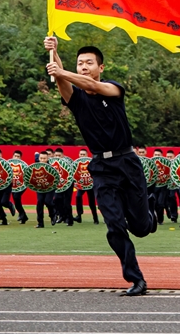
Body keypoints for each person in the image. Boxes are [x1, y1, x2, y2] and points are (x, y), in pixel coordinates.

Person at [45, 37, 156, 296]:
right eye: (80, 63)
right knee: (114, 226)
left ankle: (148, 214)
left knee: (141, 228)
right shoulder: (77, 99)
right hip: (101, 168)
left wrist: (61, 70)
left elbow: (90, 85)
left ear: (100, 67)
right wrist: (54, 52)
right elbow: (62, 81)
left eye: (89, 63)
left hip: (127, 162)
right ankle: (136, 279)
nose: (83, 67)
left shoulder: (113, 89)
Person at [74, 148, 99, 224]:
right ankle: (79, 215)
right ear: (79, 155)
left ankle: (95, 219)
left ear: (87, 155)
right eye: (81, 154)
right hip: (81, 185)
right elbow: (74, 173)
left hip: (90, 185)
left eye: (83, 154)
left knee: (91, 202)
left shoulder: (91, 162)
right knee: (78, 196)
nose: (82, 155)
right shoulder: (76, 163)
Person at [35, 150, 56, 228]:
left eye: (44, 158)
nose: (42, 160)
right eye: (41, 158)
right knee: (40, 202)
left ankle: (53, 215)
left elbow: (55, 178)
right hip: (40, 188)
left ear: (47, 159)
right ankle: (40, 223)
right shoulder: (36, 166)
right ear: (39, 158)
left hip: (50, 188)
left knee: (48, 202)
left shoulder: (51, 167)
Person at [10, 150, 29, 224]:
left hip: (21, 185)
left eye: (18, 156)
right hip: (13, 186)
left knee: (16, 197)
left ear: (21, 158)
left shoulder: (23, 166)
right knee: (16, 201)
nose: (16, 157)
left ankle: (21, 214)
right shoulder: (9, 164)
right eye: (15, 156)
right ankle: (24, 217)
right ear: (12, 156)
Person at [165, 149, 179, 222]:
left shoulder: (177, 164)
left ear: (174, 157)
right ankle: (169, 212)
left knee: (172, 197)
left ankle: (174, 215)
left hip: (176, 184)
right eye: (167, 157)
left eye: (171, 157)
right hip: (166, 185)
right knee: (166, 200)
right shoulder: (164, 164)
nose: (169, 158)